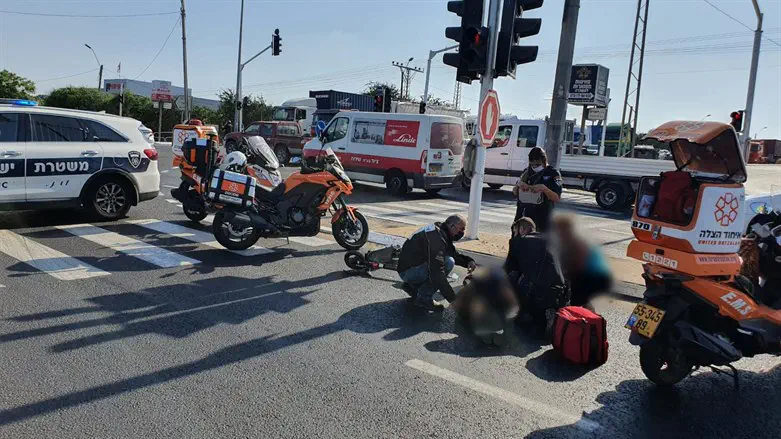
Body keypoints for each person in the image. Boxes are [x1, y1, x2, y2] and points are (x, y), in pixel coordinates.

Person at [397, 214, 477, 311]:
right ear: (452, 226)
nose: (462, 233)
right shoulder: (436, 239)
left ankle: (414, 286)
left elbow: (451, 252)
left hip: (411, 267)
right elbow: (437, 274)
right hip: (408, 272)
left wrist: (468, 261)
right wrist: (454, 300)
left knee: (446, 260)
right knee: (448, 263)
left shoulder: (440, 232)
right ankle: (423, 299)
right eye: (461, 229)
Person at [503, 217, 568, 333]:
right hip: (560, 290)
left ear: (521, 229)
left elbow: (509, 267)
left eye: (515, 231)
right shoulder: (552, 240)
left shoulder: (517, 242)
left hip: (535, 291)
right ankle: (551, 310)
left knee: (511, 278)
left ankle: (516, 312)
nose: (515, 234)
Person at [553, 216, 613, 307]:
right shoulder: (573, 240)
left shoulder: (576, 243)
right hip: (595, 275)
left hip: (595, 277)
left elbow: (576, 265)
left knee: (574, 296)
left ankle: (585, 318)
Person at [512, 147, 562, 232]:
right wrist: (519, 186)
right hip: (523, 219)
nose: (534, 166)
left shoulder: (553, 173)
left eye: (537, 164)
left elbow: (556, 198)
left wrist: (544, 189)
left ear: (544, 161)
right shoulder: (526, 172)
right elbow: (514, 192)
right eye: (532, 164)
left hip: (542, 220)